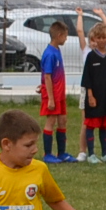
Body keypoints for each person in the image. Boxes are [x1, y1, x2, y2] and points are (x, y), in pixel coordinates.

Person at [80, 18, 106, 164]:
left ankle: (105, 154)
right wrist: (90, 96)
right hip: (94, 98)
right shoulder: (91, 57)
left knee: (105, 126)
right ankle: (91, 154)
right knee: (91, 125)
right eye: (99, 37)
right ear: (94, 39)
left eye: (104, 37)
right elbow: (87, 78)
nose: (102, 40)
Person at [39, 17, 74, 163]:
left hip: (59, 94)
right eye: (65, 36)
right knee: (51, 122)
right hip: (52, 95)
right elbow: (47, 76)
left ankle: (62, 153)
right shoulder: (50, 54)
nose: (66, 39)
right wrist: (51, 99)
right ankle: (47, 154)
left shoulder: (57, 50)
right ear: (59, 36)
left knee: (62, 121)